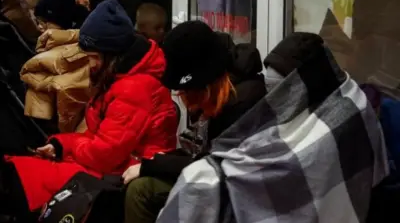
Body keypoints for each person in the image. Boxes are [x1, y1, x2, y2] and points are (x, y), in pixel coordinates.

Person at [157, 32, 388, 223]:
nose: (274, 101)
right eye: (271, 93)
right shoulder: (324, 107)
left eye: (283, 94)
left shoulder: (347, 111)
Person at [5, 0, 179, 220]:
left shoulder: (135, 87)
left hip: (124, 171)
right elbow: (101, 137)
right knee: (28, 172)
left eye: (94, 58)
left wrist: (70, 147)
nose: (90, 64)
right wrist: (60, 145)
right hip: (116, 164)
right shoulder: (119, 78)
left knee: (27, 177)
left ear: (111, 55)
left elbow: (105, 154)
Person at [122, 24, 266, 223]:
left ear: (204, 84)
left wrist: (155, 165)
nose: (186, 103)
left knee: (142, 190)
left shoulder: (243, 102)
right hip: (220, 178)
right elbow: (202, 153)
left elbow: (221, 165)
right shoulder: (216, 94)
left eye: (187, 92)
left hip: (240, 193)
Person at [21, 0, 90, 133]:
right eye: (37, 21)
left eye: (45, 22)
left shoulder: (44, 61)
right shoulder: (94, 49)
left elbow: (39, 116)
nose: (40, 27)